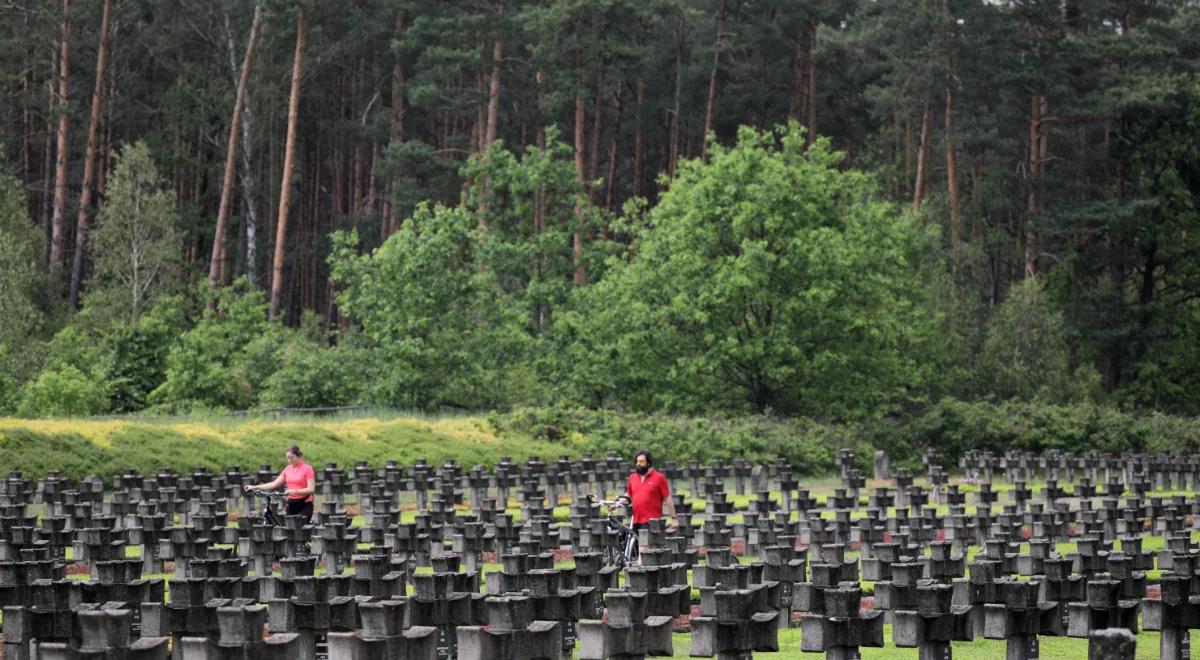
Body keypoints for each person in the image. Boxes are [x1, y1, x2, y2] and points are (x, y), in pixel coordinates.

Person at [244, 444, 315, 524]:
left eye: (291, 457)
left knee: (300, 531)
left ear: (298, 455)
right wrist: (255, 487)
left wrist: (295, 491)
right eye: (287, 458)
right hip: (291, 504)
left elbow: (311, 489)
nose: (289, 460)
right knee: (289, 532)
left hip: (305, 504)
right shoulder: (287, 469)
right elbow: (274, 484)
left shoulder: (307, 469)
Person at [617, 450, 679, 534]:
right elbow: (629, 494)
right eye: (637, 461)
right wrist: (616, 504)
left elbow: (667, 498)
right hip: (635, 520)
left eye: (641, 461)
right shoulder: (633, 477)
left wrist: (674, 519)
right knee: (631, 544)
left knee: (644, 546)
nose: (638, 464)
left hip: (651, 521)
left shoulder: (659, 478)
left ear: (648, 463)